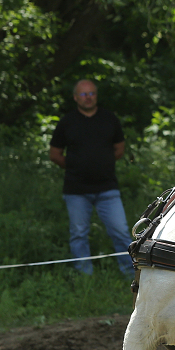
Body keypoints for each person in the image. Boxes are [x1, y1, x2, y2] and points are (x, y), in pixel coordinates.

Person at [49, 79, 135, 278]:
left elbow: (119, 149)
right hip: (76, 190)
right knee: (78, 234)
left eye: (91, 94)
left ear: (96, 96)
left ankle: (132, 275)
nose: (87, 98)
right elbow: (55, 154)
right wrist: (75, 166)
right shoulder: (67, 122)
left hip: (107, 188)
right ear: (75, 97)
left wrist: (100, 163)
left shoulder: (109, 119)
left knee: (121, 231)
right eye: (83, 94)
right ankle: (84, 277)